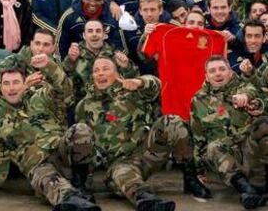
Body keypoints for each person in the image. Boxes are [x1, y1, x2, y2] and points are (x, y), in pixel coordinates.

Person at [76, 57, 210, 211]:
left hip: (147, 154)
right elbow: (85, 142)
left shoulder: (132, 93)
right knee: (122, 176)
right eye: (96, 70)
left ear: (117, 74)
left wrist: (139, 82)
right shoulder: (84, 105)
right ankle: (147, 200)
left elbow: (156, 85)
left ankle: (191, 178)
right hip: (120, 163)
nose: (100, 73)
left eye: (106, 69)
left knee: (172, 121)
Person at [0, 56, 101, 211]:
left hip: (60, 152)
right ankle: (73, 200)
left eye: (16, 83)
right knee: (50, 182)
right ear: (0, 87)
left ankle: (80, 185)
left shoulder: (40, 97)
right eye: (6, 84)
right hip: (37, 164)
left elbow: (64, 90)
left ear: (25, 84)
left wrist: (49, 66)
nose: (11, 88)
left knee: (81, 130)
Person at [191, 55, 268, 209]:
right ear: (206, 75)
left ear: (230, 72)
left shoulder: (243, 86)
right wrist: (198, 171)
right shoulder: (198, 100)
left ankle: (259, 181)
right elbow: (198, 136)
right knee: (212, 147)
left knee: (263, 125)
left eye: (222, 69)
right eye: (212, 71)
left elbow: (254, 92)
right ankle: (246, 190)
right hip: (224, 158)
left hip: (249, 150)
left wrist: (245, 97)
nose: (218, 74)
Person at [56, 0, 127, 59]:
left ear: (103, 0)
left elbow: (120, 47)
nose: (92, 3)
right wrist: (65, 67)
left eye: (97, 0)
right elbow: (60, 48)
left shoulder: (113, 15)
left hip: (106, 60)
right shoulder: (69, 16)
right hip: (79, 63)